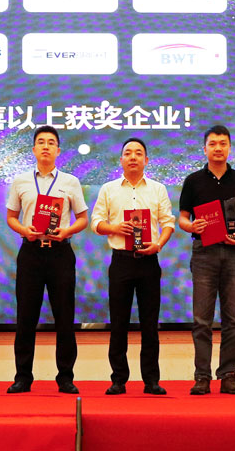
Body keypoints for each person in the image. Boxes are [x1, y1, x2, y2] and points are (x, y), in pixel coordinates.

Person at [5, 125, 88, 394]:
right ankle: (22, 377)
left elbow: (83, 219)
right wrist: (24, 230)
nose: (46, 147)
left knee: (64, 316)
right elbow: (11, 217)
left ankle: (65, 377)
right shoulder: (21, 181)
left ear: (58, 150)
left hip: (60, 253)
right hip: (30, 252)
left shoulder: (70, 182)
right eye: (41, 142)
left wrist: (67, 230)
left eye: (51, 143)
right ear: (33, 149)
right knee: (25, 317)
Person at [91, 138, 175, 395]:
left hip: (149, 261)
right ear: (121, 160)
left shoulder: (158, 189)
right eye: (128, 153)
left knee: (150, 323)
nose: (133, 157)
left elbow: (168, 223)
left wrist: (158, 244)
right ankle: (118, 379)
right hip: (121, 261)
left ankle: (151, 380)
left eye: (139, 153)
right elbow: (96, 222)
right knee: (119, 323)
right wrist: (115, 227)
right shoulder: (108, 189)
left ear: (146, 160)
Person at [178, 125, 235, 395]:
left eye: (223, 143)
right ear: (205, 149)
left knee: (232, 319)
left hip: (233, 253)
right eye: (212, 144)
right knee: (201, 319)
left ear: (230, 147)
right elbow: (182, 218)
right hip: (204, 253)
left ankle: (228, 375)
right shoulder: (193, 180)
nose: (218, 148)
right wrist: (192, 227)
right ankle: (202, 376)